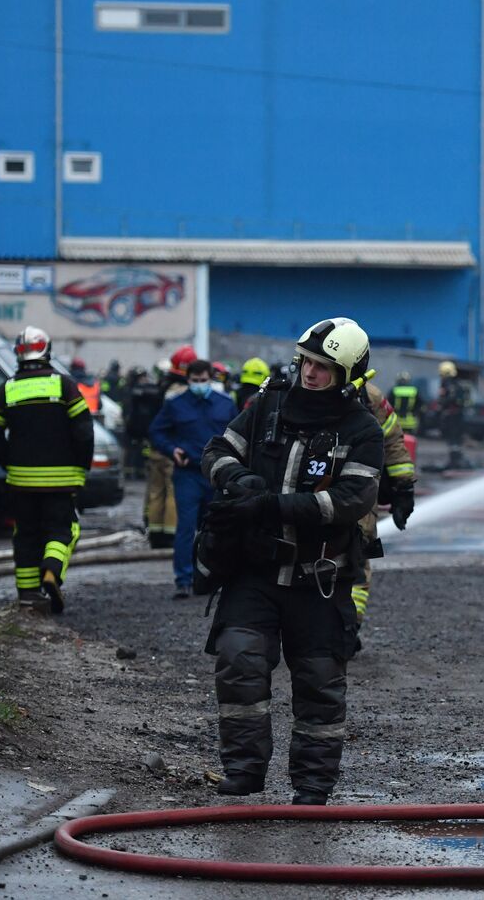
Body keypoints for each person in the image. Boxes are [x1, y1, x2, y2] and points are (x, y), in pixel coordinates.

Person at [200, 317, 383, 803]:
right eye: (307, 362)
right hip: (253, 571)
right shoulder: (268, 405)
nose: (311, 373)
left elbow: (350, 500)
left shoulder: (362, 429)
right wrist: (238, 482)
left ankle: (312, 787)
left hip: (318, 579)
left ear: (347, 375)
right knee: (239, 663)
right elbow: (218, 451)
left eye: (324, 367)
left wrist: (274, 506)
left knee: (320, 685)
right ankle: (242, 774)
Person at [0, 326, 93, 613]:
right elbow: (84, 432)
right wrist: (81, 468)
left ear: (19, 354)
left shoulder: (7, 388)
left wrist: (8, 460)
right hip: (62, 480)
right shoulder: (63, 385)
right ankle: (52, 571)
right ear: (47, 351)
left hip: (21, 481)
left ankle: (28, 595)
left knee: (26, 535)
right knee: (61, 529)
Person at [148, 359, 238, 599]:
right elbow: (156, 431)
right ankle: (184, 580)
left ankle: (215, 577)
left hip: (217, 475)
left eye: (203, 380)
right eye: (195, 381)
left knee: (217, 528)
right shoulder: (175, 405)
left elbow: (239, 434)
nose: (199, 384)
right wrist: (171, 449)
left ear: (211, 379)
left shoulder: (226, 404)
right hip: (188, 473)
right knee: (186, 528)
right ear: (188, 380)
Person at [351, 378, 417, 624]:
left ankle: (349, 625)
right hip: (311, 497)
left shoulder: (370, 396)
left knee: (356, 563)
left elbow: (392, 441)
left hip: (361, 496)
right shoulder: (296, 391)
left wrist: (404, 488)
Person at [143, 347, 193, 548]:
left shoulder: (162, 386)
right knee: (173, 492)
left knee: (156, 491)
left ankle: (155, 532)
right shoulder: (181, 393)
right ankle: (170, 534)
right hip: (173, 449)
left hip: (157, 447)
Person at [436, 360, 472, 469]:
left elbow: (449, 399)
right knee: (455, 439)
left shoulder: (449, 385)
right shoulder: (457, 384)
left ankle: (455, 461)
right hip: (457, 415)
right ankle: (456, 460)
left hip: (453, 416)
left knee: (453, 439)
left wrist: (442, 403)